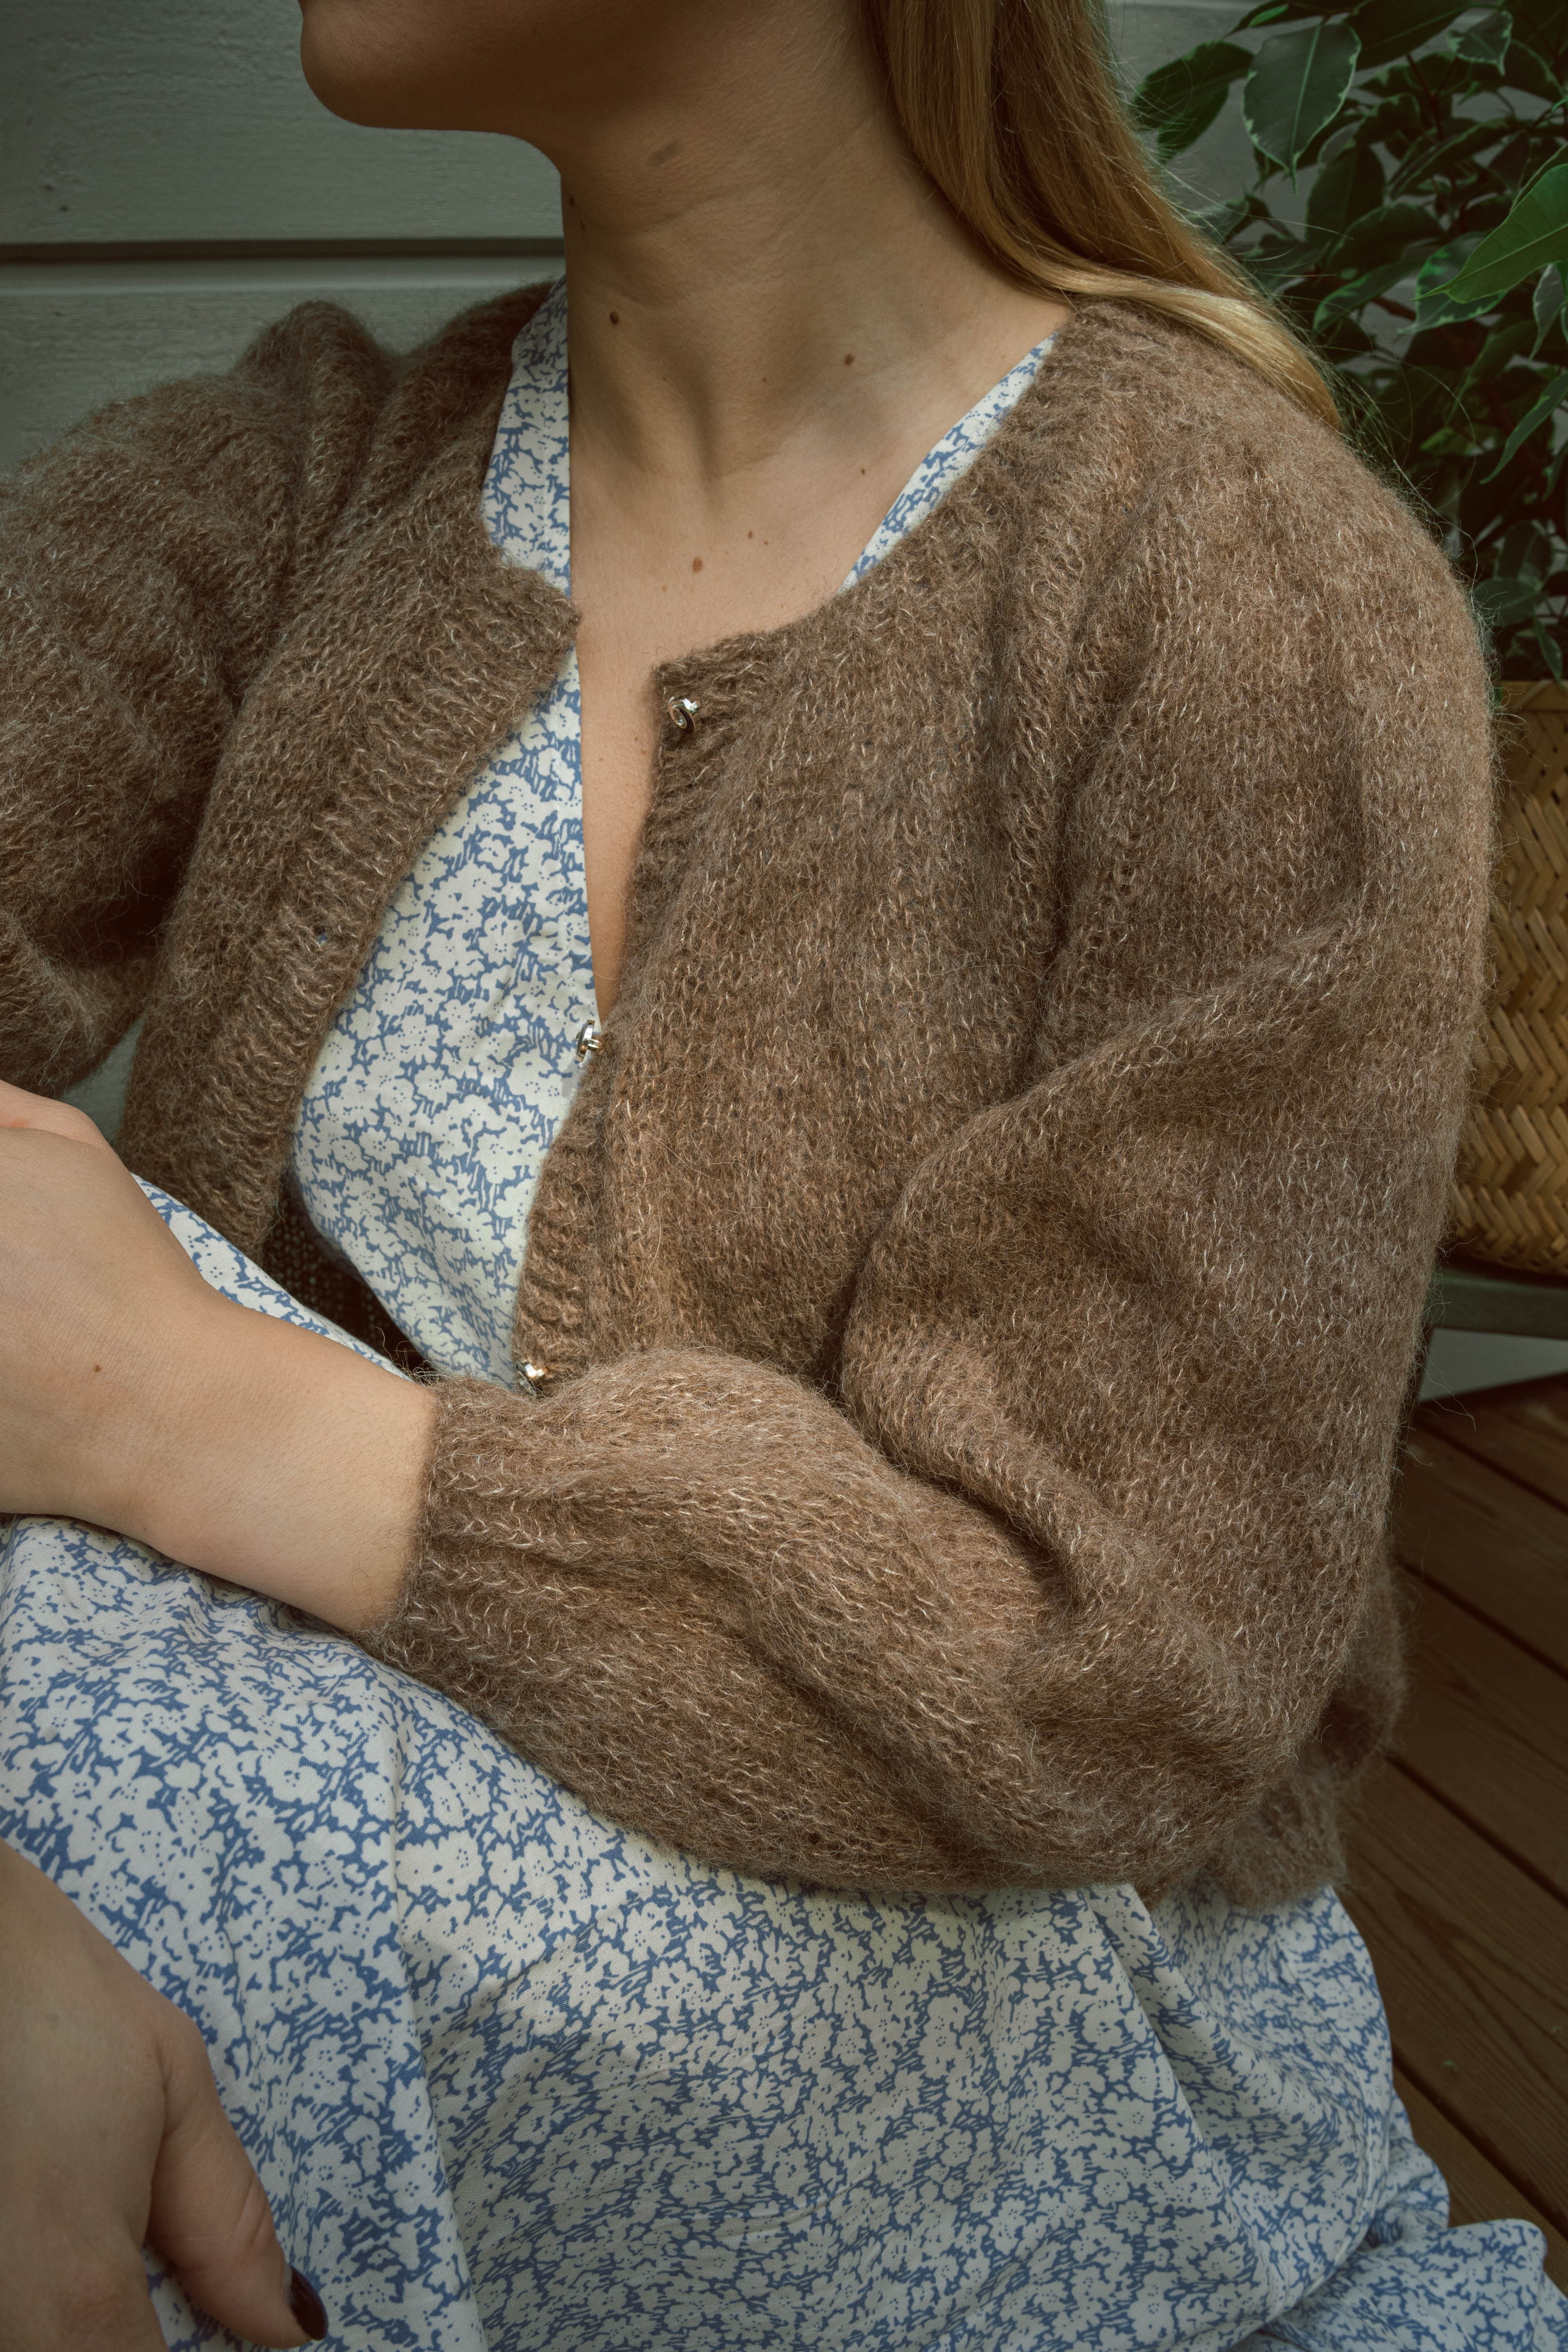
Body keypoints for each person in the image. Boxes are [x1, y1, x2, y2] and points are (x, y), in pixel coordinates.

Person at [1, 0, 1559, 2346]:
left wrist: (177, 1410)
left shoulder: (1236, 603)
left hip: (1001, 2003)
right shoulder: (317, 482)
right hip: (338, 1853)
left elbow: (1095, 1666)